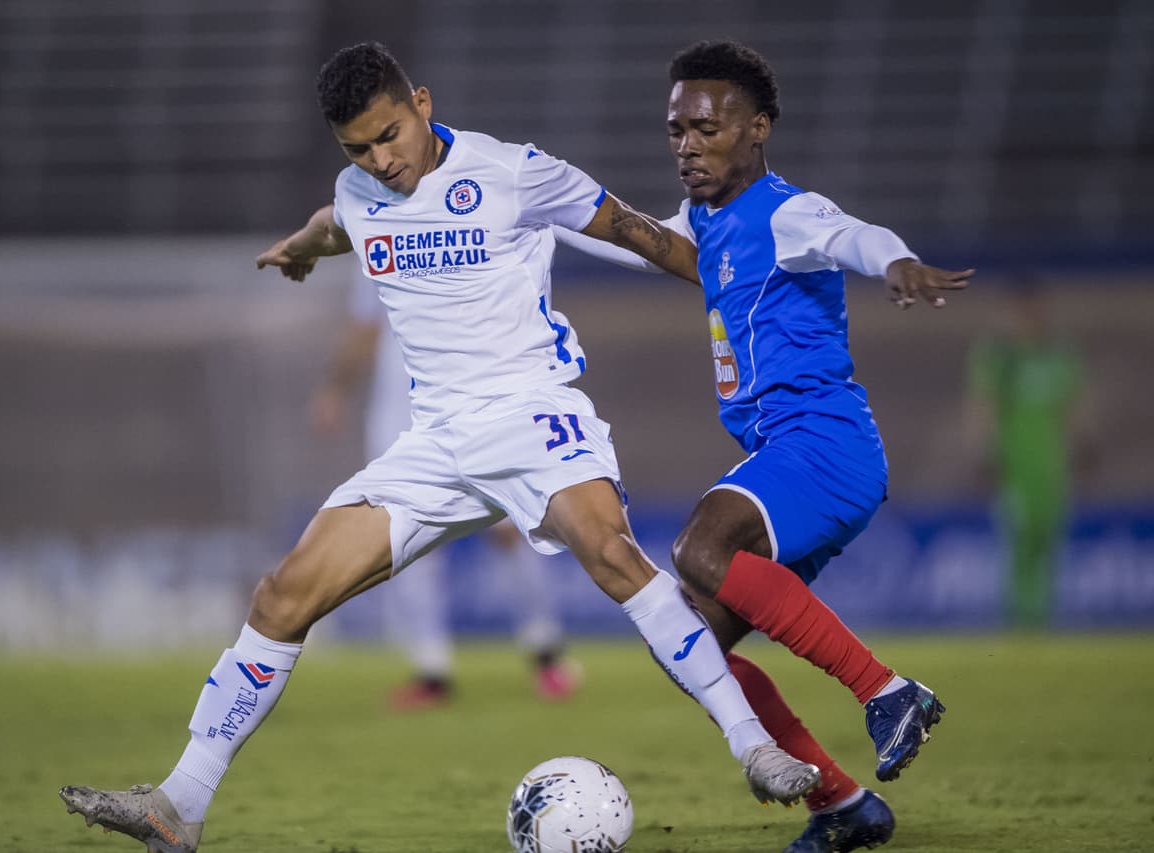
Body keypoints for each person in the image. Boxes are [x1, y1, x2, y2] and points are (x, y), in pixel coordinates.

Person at [57, 41, 820, 853]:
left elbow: (645, 237)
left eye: (391, 134)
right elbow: (335, 223)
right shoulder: (358, 192)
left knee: (610, 551)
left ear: (421, 102)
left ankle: (754, 746)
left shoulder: (514, 172)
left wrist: (761, 287)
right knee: (282, 595)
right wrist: (297, 248)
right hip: (435, 443)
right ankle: (179, 802)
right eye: (359, 147)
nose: (381, 160)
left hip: (532, 414)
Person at [554, 39, 972, 853]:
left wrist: (897, 261)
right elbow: (633, 236)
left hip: (825, 446)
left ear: (757, 130)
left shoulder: (782, 211)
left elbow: (854, 232)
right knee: (689, 647)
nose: (687, 146)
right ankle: (844, 804)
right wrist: (535, 214)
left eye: (708, 128)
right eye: (676, 130)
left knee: (699, 545)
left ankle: (888, 692)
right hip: (788, 455)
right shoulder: (705, 224)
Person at [310, 263, 579, 708]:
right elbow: (364, 326)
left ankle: (545, 649)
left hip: (476, 408)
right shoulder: (377, 244)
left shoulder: (466, 232)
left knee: (512, 529)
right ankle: (432, 669)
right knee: (404, 542)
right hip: (399, 421)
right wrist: (336, 390)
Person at [966, 280, 1086, 630]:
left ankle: (1041, 619)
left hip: (1052, 466)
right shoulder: (1000, 357)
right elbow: (983, 406)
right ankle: (1019, 619)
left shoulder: (1059, 352)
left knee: (1048, 540)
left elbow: (1072, 404)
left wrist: (1082, 444)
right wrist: (983, 451)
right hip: (1013, 467)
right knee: (1018, 542)